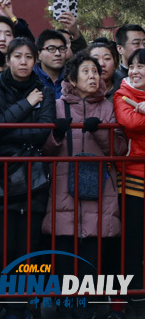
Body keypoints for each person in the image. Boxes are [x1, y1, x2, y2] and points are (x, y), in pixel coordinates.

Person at [44, 52, 126, 296]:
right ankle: (65, 309)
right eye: (86, 71)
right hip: (62, 190)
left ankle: (87, 310)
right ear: (72, 77)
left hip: (99, 189)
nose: (93, 76)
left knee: (92, 259)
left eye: (95, 71)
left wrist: (100, 132)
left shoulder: (108, 107)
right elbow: (45, 151)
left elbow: (119, 149)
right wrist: (56, 135)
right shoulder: (57, 106)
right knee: (63, 258)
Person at [0, 38, 54, 308]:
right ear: (8, 60)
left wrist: (11, 132)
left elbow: (43, 132)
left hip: (34, 178)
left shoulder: (45, 90)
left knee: (30, 249)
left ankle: (24, 307)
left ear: (35, 60)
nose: (23, 61)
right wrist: (26, 105)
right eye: (18, 56)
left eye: (29, 56)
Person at [113, 49, 145, 312]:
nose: (134, 71)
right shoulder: (122, 93)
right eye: (132, 66)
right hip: (134, 175)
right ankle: (134, 296)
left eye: (141, 66)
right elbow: (130, 122)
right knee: (133, 239)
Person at [34, 29, 69, 100]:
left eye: (62, 49)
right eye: (51, 49)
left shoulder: (73, 77)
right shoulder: (30, 78)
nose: (58, 54)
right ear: (39, 55)